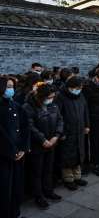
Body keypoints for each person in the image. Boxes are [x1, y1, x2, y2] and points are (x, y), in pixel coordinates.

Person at [23, 83, 63, 210]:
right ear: (41, 96)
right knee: (37, 172)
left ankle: (48, 190)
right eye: (49, 97)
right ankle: (38, 195)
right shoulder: (28, 107)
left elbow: (60, 120)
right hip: (37, 145)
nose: (51, 99)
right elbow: (30, 126)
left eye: (52, 97)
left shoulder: (53, 105)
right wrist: (43, 140)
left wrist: (56, 135)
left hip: (51, 142)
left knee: (48, 169)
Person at [0, 76, 29, 218]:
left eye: (12, 87)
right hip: (4, 155)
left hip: (18, 153)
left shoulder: (16, 105)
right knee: (5, 187)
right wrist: (13, 151)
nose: (10, 89)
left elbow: (25, 127)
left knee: (16, 185)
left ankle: (15, 212)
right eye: (8, 86)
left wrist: (23, 148)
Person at [55, 76, 90, 191]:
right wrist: (62, 132)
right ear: (70, 87)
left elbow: (85, 111)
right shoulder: (60, 97)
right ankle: (68, 179)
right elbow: (58, 116)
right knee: (67, 155)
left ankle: (77, 176)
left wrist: (87, 125)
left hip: (79, 130)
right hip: (68, 132)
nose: (79, 90)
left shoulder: (80, 96)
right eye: (77, 88)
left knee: (79, 153)